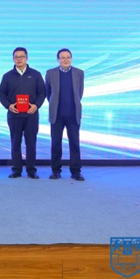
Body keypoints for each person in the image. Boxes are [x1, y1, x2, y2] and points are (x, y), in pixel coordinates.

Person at [0, 47, 46, 179]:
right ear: (13, 59)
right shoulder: (7, 76)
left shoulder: (35, 74)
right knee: (15, 143)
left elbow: (42, 92)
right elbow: (1, 94)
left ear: (27, 58)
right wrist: (8, 105)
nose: (19, 59)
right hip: (14, 115)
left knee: (31, 143)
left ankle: (31, 170)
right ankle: (16, 170)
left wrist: (36, 105)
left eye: (22, 56)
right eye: (16, 57)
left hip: (31, 114)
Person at [45, 48, 85, 181]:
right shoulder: (50, 73)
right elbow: (48, 93)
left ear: (71, 58)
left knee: (74, 143)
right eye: (62, 58)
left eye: (68, 57)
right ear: (58, 60)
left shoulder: (79, 73)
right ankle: (55, 171)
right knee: (56, 143)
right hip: (56, 114)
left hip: (73, 114)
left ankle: (76, 171)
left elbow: (80, 93)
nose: (65, 60)